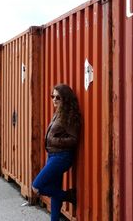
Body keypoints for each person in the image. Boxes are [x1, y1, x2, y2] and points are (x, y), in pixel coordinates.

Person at [32, 84, 81, 221]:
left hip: (61, 157)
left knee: (37, 186)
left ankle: (68, 196)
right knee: (54, 192)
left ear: (65, 99)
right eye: (52, 96)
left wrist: (54, 140)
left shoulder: (69, 116)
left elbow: (74, 139)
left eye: (57, 97)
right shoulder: (58, 113)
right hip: (52, 156)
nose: (54, 99)